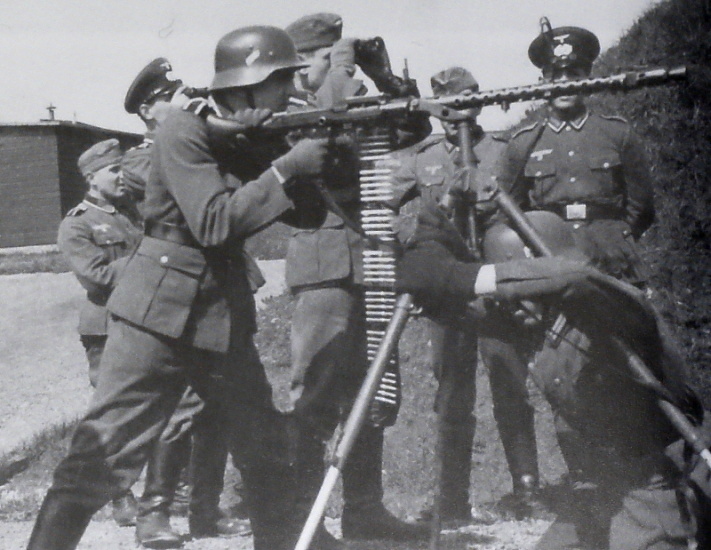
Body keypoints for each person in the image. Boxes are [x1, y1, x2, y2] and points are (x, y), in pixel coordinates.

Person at [26, 25, 337, 550]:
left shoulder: (240, 137)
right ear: (246, 84)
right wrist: (285, 169)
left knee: (263, 446)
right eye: (281, 80)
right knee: (102, 454)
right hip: (159, 315)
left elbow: (308, 215)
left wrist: (284, 154)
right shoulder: (182, 131)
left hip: (220, 317)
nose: (290, 90)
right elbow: (214, 222)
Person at [396, 199, 707, 550]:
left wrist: (470, 277)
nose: (509, 307)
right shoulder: (536, 323)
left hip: (659, 490)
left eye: (520, 291)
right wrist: (431, 243)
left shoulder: (620, 314)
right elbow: (455, 303)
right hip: (598, 494)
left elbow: (578, 278)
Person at [491, 20, 657, 505]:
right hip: (553, 266)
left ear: (588, 77)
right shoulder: (524, 142)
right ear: (543, 82)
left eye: (574, 74)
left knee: (625, 363)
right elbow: (508, 210)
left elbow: (641, 207)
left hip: (609, 263)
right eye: (554, 76)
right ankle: (586, 476)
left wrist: (613, 241)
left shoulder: (616, 134)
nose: (564, 84)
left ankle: (639, 470)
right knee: (565, 368)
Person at [283, 12, 429, 543]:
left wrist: (383, 77)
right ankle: (301, 520)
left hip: (371, 263)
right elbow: (323, 140)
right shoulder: (288, 112)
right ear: (302, 63)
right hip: (324, 270)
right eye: (327, 57)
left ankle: (365, 508)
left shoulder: (349, 101)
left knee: (372, 390)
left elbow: (414, 126)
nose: (335, 66)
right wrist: (343, 74)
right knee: (317, 392)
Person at [390, 65, 541, 522]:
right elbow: (381, 205)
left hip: (495, 283)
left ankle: (528, 490)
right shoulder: (423, 158)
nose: (462, 108)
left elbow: (529, 212)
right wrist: (416, 249)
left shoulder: (503, 149)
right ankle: (451, 499)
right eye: (452, 101)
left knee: (509, 381)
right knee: (452, 392)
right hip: (446, 290)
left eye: (470, 97)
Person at [121, 58, 248, 547]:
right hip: (175, 298)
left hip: (220, 289)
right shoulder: (141, 158)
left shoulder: (204, 143)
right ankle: (153, 513)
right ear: (148, 111)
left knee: (218, 405)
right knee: (179, 409)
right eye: (168, 98)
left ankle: (205, 511)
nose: (183, 101)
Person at [56, 139, 142, 529]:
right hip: (107, 327)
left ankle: (170, 492)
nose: (123, 176)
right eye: (114, 170)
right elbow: (98, 276)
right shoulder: (77, 224)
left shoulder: (132, 215)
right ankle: (119, 496)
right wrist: (151, 258)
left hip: (146, 320)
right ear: (92, 178)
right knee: (113, 414)